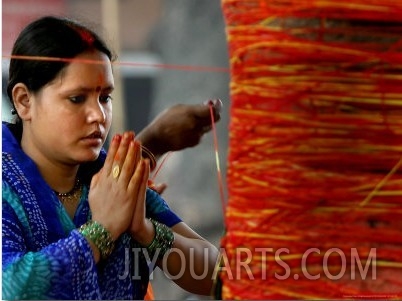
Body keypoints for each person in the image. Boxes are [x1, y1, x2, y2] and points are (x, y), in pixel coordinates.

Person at [2, 16, 221, 300]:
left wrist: (145, 230)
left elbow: (217, 273)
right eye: (77, 98)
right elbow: (10, 287)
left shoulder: (114, 177)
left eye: (105, 97)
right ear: (24, 101)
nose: (99, 115)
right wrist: (102, 230)